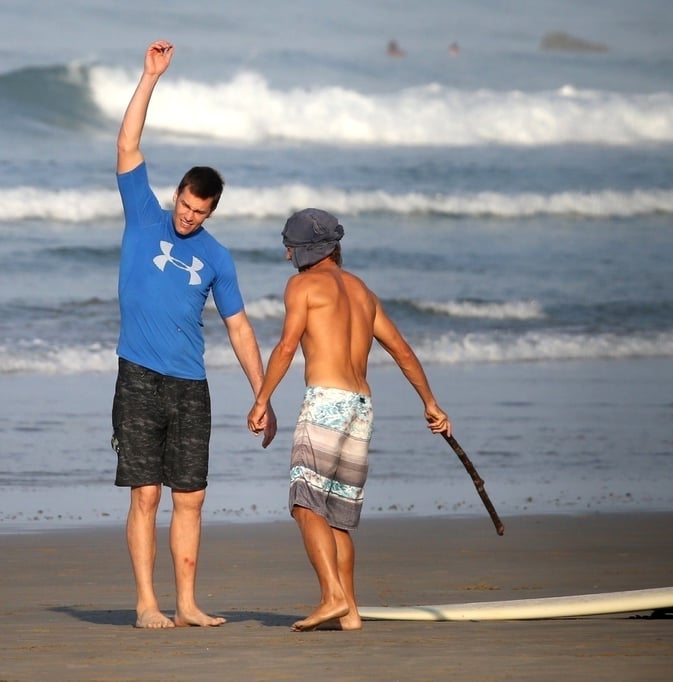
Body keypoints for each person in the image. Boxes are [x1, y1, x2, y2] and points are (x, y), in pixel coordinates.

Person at [112, 39, 277, 629]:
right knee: (145, 496)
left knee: (191, 498)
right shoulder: (144, 214)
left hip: (189, 385)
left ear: (211, 212)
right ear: (176, 194)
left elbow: (238, 327)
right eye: (183, 204)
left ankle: (185, 603)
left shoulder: (216, 257)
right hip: (138, 376)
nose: (187, 216)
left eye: (197, 211)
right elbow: (128, 143)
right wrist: (149, 77)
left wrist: (262, 395)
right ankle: (146, 603)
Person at [247, 208, 451, 631]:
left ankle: (332, 596)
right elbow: (403, 351)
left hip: (326, 403)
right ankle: (351, 612)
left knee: (306, 504)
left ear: (306, 251)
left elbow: (286, 347)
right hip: (361, 406)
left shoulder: (302, 286)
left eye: (291, 249)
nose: (287, 257)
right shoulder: (362, 292)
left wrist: (262, 399)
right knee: (337, 515)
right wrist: (430, 403)